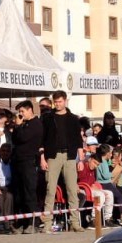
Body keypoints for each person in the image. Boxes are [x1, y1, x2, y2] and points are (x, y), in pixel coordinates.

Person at [40, 90, 84, 232]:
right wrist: (42, 157)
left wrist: (81, 158)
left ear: (65, 101)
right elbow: (42, 139)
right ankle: (47, 223)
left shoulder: (73, 118)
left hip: (70, 156)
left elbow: (78, 140)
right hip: (53, 156)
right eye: (56, 102)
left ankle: (75, 222)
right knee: (50, 189)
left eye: (60, 101)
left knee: (72, 190)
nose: (58, 104)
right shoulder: (47, 118)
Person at [8, 100, 43, 232]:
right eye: (19, 112)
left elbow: (23, 138)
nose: (20, 114)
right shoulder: (24, 124)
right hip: (19, 162)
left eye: (22, 111)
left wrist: (18, 126)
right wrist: (18, 127)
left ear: (30, 110)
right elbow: (15, 139)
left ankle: (33, 222)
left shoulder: (36, 124)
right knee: (20, 194)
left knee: (29, 193)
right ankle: (22, 221)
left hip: (29, 162)